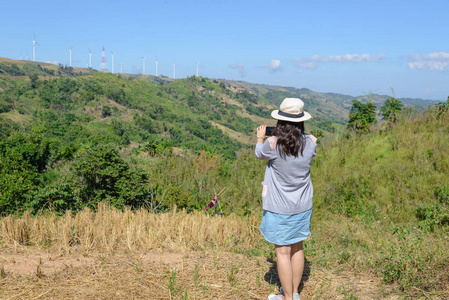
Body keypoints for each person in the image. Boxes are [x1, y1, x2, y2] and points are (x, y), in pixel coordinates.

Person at [255, 98, 317, 300]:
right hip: (303, 204)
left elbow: (259, 153)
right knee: (297, 248)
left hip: (279, 207)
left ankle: (287, 298)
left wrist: (260, 137)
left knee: (282, 253)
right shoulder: (311, 142)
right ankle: (295, 293)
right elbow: (303, 141)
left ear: (280, 123)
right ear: (301, 122)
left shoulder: (272, 144)